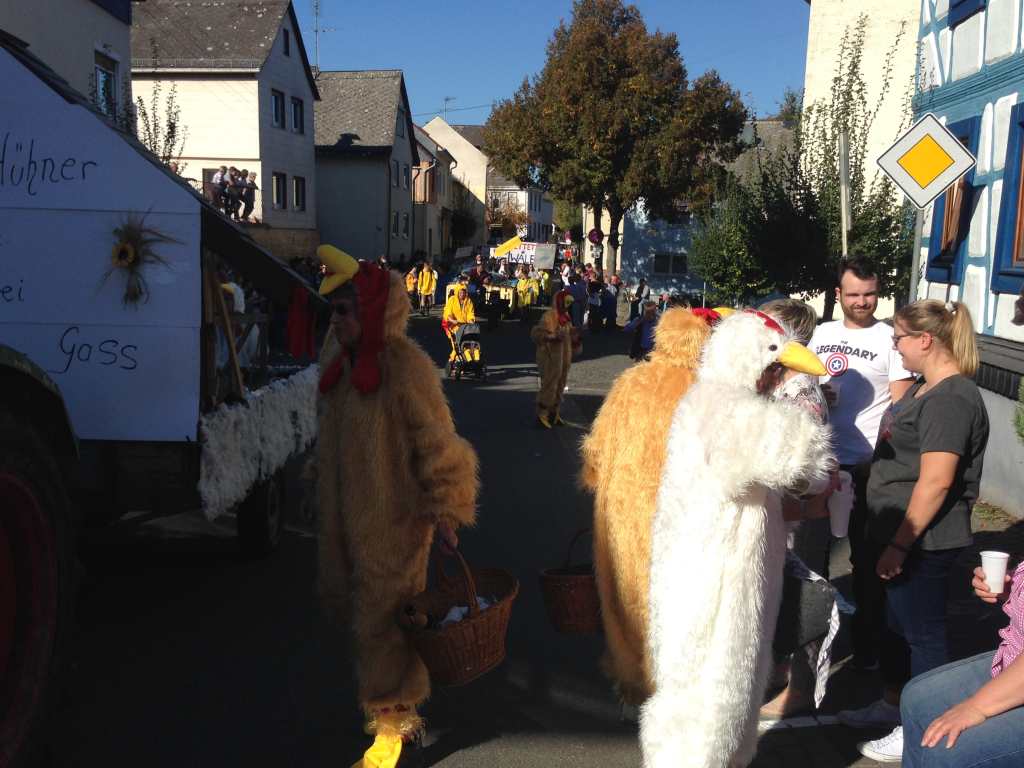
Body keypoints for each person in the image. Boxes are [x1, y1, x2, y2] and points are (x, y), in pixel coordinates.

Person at [314, 245, 479, 768]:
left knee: (383, 619)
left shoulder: (408, 369)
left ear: (372, 310)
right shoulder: (338, 365)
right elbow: (328, 442)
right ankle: (391, 710)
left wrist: (447, 509)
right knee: (361, 612)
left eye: (344, 309)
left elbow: (438, 444)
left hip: (395, 522)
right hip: (345, 520)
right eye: (332, 310)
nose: (335, 320)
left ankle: (392, 724)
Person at [844, 299, 989, 763]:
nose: (895, 347)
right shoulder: (924, 389)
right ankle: (893, 704)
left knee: (922, 636)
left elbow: (936, 480)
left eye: (900, 339)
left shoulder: (953, 398)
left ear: (925, 340)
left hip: (923, 541)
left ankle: (920, 728)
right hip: (893, 532)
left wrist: (901, 544)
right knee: (894, 628)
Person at [581, 308, 717, 705]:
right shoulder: (706, 391)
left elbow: (595, 451)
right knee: (682, 596)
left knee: (628, 595)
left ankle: (633, 680)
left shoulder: (631, 382)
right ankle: (678, 683)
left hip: (624, 512)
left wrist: (600, 484)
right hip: (685, 513)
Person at [810, 257, 914, 677]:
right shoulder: (821, 334)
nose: (862, 302)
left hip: (867, 467)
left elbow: (902, 405)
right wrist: (817, 395)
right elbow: (798, 385)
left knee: (866, 562)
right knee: (809, 560)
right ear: (839, 294)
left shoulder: (890, 340)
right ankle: (810, 646)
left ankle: (867, 649)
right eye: (853, 295)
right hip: (819, 462)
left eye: (869, 294)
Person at [759, 299, 838, 720]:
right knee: (783, 598)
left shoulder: (801, 395)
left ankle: (801, 691)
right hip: (783, 514)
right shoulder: (780, 387)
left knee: (806, 602)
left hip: (799, 516)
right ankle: (780, 673)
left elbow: (810, 473)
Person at [898, 561, 1024, 767]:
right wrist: (1012, 589)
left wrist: (976, 707)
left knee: (949, 754)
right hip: (1013, 656)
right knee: (919, 697)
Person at [530, 289, 574, 428]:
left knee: (561, 383)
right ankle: (542, 414)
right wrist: (552, 337)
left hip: (563, 358)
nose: (567, 306)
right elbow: (536, 333)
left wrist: (575, 336)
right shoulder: (548, 316)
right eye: (565, 303)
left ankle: (554, 413)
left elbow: (569, 333)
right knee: (549, 384)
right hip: (549, 357)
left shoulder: (566, 316)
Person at [442, 281, 476, 363]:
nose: (462, 294)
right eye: (460, 292)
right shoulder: (452, 300)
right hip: (452, 326)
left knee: (466, 346)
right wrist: (453, 320)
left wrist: (471, 320)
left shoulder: (469, 301)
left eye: (464, 292)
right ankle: (455, 362)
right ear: (457, 292)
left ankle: (455, 362)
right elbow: (447, 313)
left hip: (465, 327)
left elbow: (470, 313)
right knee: (457, 346)